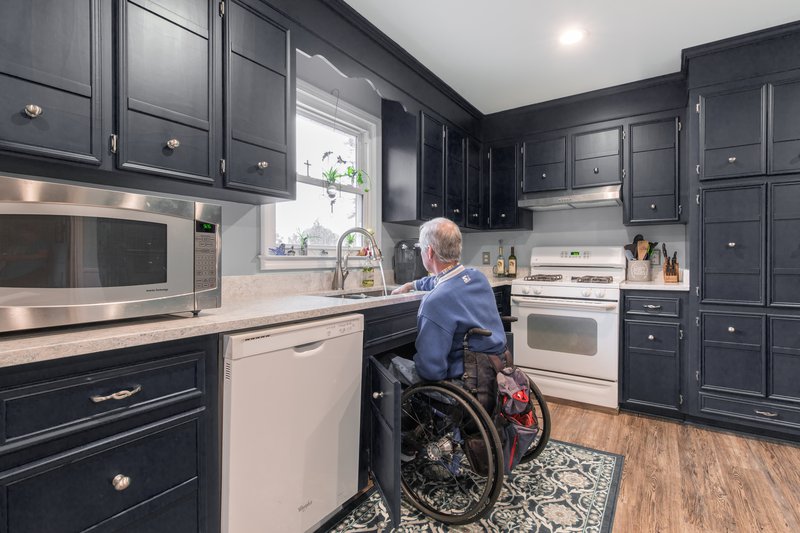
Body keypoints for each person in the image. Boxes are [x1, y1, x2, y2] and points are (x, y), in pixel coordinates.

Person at [390, 217, 507, 384]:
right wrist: (411, 284)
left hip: (465, 383)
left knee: (389, 362)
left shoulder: (435, 301)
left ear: (429, 252)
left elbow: (431, 372)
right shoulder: (477, 277)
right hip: (493, 373)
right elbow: (442, 280)